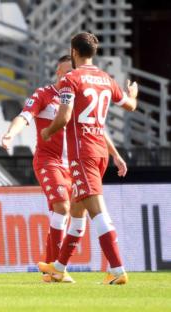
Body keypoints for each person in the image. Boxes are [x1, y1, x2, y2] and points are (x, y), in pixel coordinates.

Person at [2, 55, 128, 283]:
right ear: (57, 73)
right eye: (64, 72)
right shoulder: (44, 95)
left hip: (76, 163)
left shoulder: (76, 95)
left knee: (77, 215)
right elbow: (24, 116)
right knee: (62, 206)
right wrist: (11, 133)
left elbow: (97, 128)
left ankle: (57, 268)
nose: (68, 75)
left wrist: (116, 155)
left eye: (72, 70)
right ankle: (56, 267)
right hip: (49, 160)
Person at [38, 32, 138, 285]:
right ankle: (59, 268)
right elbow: (129, 105)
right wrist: (133, 94)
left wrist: (47, 131)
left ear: (73, 51)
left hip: (82, 154)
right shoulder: (106, 79)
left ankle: (117, 270)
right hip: (100, 152)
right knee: (78, 210)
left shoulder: (71, 79)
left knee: (97, 212)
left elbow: (63, 117)